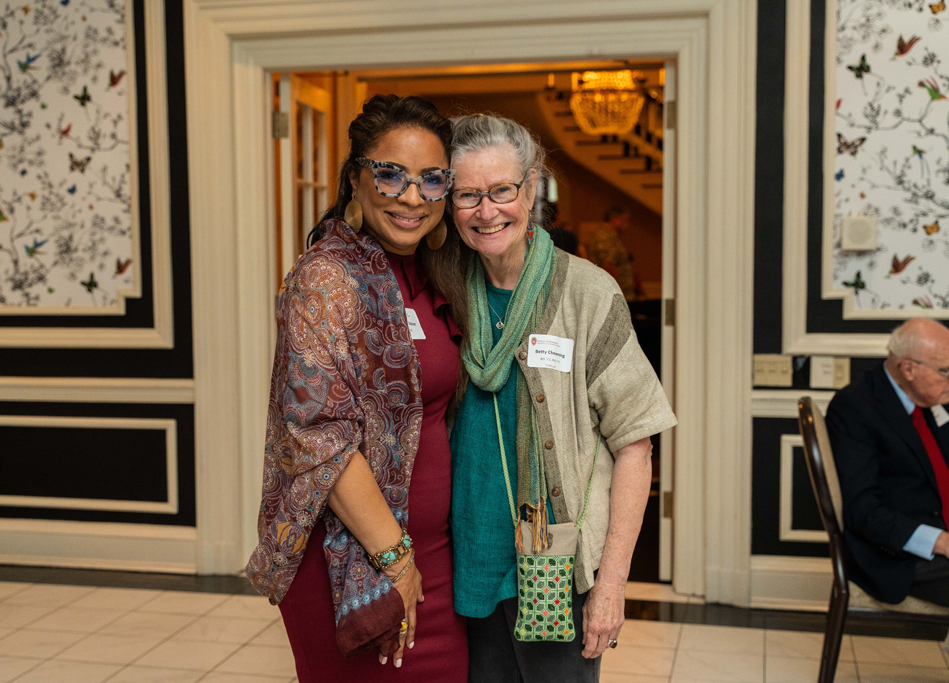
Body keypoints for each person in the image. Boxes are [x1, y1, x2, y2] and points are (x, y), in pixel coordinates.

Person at [446, 113, 677, 682]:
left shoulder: (588, 292)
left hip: (556, 569)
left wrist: (611, 585)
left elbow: (636, 444)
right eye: (467, 195)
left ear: (531, 190)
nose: (486, 210)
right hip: (459, 563)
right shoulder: (441, 288)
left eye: (502, 190)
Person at [245, 95, 468, 682]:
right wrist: (395, 560)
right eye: (390, 173)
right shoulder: (325, 280)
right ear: (355, 178)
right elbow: (317, 436)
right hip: (354, 562)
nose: (411, 197)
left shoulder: (434, 274)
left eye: (431, 180)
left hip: (438, 558)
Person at [826, 318, 949, 606]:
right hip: (898, 553)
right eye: (946, 371)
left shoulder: (932, 397)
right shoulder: (856, 408)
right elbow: (862, 510)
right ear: (908, 369)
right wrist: (940, 541)